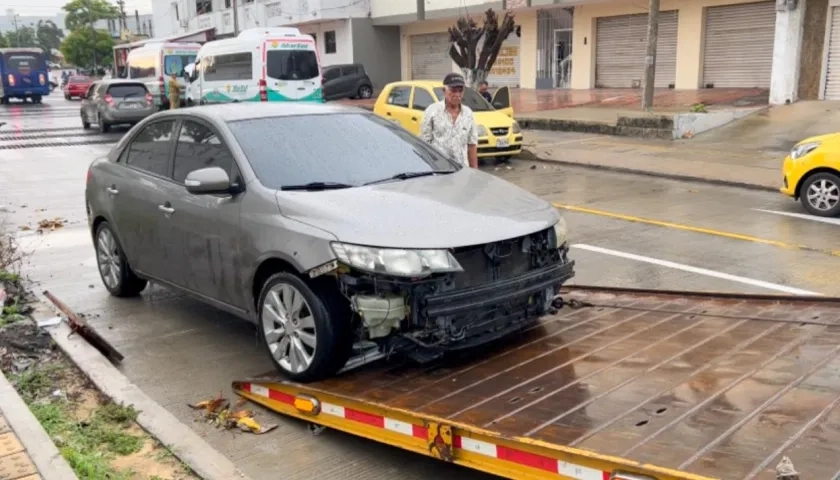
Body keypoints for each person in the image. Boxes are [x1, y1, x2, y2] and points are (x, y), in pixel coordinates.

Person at [420, 73, 479, 169]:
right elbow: (425, 144)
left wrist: (474, 172)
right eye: (453, 90)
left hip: (462, 170)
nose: (457, 94)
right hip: (439, 170)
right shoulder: (432, 111)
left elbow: (472, 145)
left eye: (460, 91)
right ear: (444, 90)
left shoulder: (468, 114)